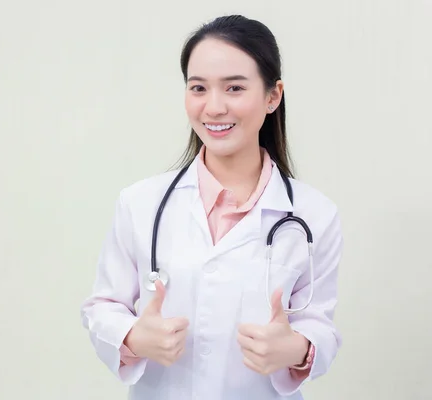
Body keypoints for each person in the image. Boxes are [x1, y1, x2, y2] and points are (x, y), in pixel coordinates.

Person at [80, 14, 343, 400]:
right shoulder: (140, 203)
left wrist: (298, 349)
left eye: (234, 88)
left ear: (273, 96)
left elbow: (319, 323)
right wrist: (133, 336)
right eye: (198, 88)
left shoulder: (313, 215)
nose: (214, 107)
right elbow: (102, 306)